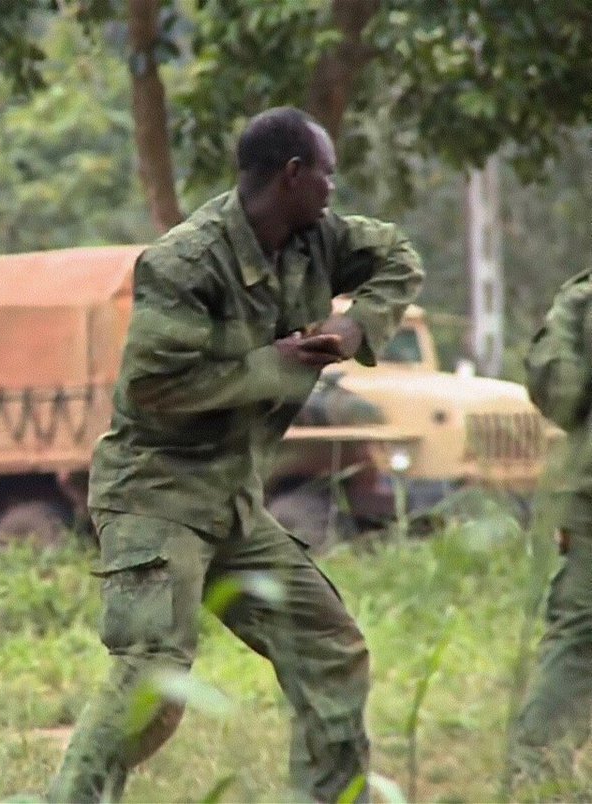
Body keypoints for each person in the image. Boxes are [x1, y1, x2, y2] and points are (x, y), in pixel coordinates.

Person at [47, 106, 423, 803]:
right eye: (327, 175)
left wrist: (354, 327)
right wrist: (273, 364)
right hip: (156, 497)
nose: (333, 190)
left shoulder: (318, 240)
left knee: (329, 647)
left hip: (234, 502)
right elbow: (155, 387)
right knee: (152, 678)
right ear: (292, 175)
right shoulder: (186, 262)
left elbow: (397, 255)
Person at [509, 269, 592, 788]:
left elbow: (560, 392)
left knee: (580, 636)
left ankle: (538, 773)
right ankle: (538, 774)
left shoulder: (582, 298)